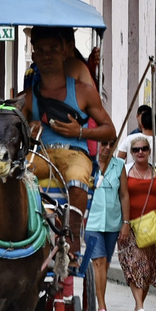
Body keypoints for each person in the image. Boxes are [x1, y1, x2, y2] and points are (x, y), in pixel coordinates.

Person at [20, 26, 115, 256]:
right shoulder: (30, 97)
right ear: (34, 55)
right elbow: (16, 133)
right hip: (41, 154)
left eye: (53, 49)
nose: (47, 55)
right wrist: (27, 130)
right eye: (41, 50)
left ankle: (70, 245)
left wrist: (80, 133)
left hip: (75, 154)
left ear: (64, 52)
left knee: (77, 179)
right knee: (16, 176)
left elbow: (109, 131)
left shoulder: (83, 91)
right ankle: (22, 236)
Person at [115, 130, 156, 311]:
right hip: (130, 227)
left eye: (144, 149)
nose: (140, 152)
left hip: (154, 227)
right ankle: (140, 306)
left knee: (149, 268)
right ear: (131, 152)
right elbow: (114, 196)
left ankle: (138, 305)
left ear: (150, 151)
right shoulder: (123, 171)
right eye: (136, 150)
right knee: (137, 265)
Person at [84, 145, 124, 311]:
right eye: (103, 143)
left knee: (105, 263)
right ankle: (101, 305)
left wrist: (126, 223)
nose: (107, 147)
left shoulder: (120, 165)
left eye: (110, 143)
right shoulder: (87, 164)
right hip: (91, 221)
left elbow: (124, 195)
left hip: (113, 222)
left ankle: (96, 296)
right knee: (98, 262)